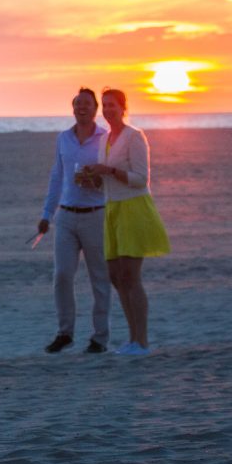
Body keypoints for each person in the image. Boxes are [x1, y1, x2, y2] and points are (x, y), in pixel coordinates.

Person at [86, 88, 170, 356]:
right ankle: (132, 338)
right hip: (112, 209)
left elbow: (139, 178)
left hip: (134, 208)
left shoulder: (135, 136)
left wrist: (108, 170)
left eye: (113, 105)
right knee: (115, 276)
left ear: (123, 108)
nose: (109, 110)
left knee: (131, 276)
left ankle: (141, 341)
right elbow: (107, 182)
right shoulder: (104, 139)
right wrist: (94, 178)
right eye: (105, 106)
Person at [37, 88, 112, 354]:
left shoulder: (105, 138)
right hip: (66, 216)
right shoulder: (64, 138)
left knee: (99, 278)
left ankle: (99, 338)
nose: (82, 107)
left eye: (87, 104)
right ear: (73, 107)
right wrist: (47, 214)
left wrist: (98, 178)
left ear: (95, 109)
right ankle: (64, 332)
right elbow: (57, 176)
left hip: (96, 213)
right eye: (78, 103)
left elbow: (113, 175)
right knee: (62, 275)